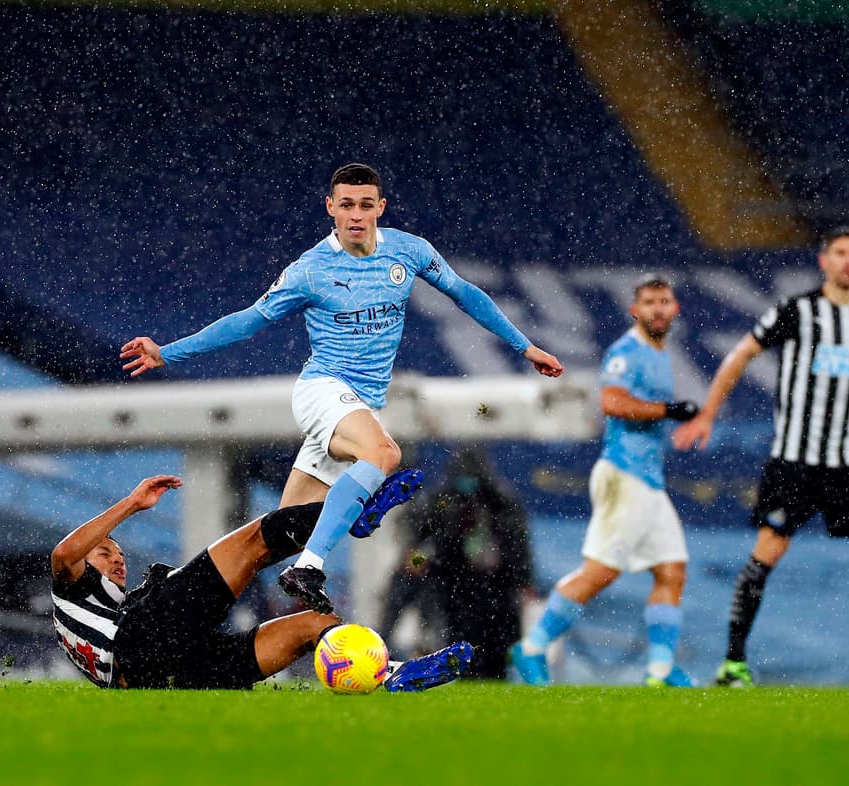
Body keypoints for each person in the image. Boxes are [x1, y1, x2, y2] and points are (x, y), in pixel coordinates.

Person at [121, 163, 563, 614]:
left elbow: (466, 293)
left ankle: (172, 592)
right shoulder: (310, 270)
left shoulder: (408, 252)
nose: (356, 215)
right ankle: (312, 565)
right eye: (346, 205)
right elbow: (248, 321)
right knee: (384, 455)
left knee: (272, 538)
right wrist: (167, 352)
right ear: (331, 208)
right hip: (323, 391)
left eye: (365, 205)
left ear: (380, 208)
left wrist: (524, 347)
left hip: (360, 406)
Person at [672, 226, 849, 690]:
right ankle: (732, 665)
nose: (847, 261)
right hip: (795, 461)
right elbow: (743, 352)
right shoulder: (797, 311)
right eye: (839, 253)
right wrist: (707, 413)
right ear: (824, 261)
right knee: (768, 551)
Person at [50, 472, 472, 691]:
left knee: (314, 624)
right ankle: (348, 516)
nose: (118, 560)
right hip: (143, 647)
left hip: (162, 676)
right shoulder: (72, 586)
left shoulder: (111, 609)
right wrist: (133, 503)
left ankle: (391, 674)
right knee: (258, 538)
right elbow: (64, 553)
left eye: (120, 554)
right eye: (106, 553)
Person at [510, 277, 700, 687]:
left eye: (664, 302)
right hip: (624, 476)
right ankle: (531, 648)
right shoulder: (626, 352)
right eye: (649, 302)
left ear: (675, 309)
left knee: (671, 571)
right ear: (635, 310)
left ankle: (660, 671)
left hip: (648, 482)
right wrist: (666, 410)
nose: (658, 309)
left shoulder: (660, 353)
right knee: (599, 573)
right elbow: (611, 402)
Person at [405, 448, 533, 679]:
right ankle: (467, 674)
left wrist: (524, 579)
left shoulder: (501, 500)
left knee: (497, 639)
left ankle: (495, 675)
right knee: (460, 633)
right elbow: (422, 536)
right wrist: (417, 558)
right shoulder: (444, 499)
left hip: (496, 583)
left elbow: (518, 542)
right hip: (456, 581)